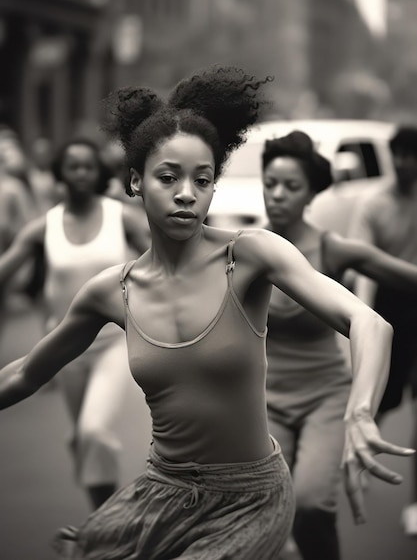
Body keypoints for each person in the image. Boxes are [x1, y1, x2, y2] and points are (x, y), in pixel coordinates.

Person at [0, 66, 413, 560]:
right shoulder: (110, 292)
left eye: (203, 179)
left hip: (252, 497)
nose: (185, 194)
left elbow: (369, 322)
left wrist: (361, 412)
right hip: (161, 491)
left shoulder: (253, 254)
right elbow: (25, 372)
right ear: (135, 181)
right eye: (168, 177)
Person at [260, 130, 417, 560]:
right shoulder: (249, 249)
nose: (277, 195)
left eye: (291, 187)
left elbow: (403, 276)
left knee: (311, 505)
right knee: (268, 508)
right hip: (264, 399)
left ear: (311, 193)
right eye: (270, 183)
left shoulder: (332, 249)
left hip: (324, 398)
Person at [0, 135, 150, 510]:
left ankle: (113, 525)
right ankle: (105, 519)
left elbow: (165, 258)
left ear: (99, 171)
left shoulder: (122, 218)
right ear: (60, 175)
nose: (82, 173)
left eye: (88, 166)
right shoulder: (42, 227)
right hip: (65, 347)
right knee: (83, 437)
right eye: (73, 166)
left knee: (93, 430)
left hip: (114, 342)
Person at [348, 125, 417, 538]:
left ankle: (414, 504)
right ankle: (361, 446)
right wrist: (363, 319)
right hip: (388, 309)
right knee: (386, 399)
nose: (406, 162)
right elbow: (365, 269)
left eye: (413, 154)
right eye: (400, 154)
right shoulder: (373, 204)